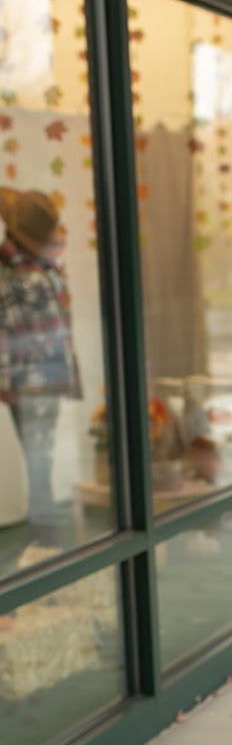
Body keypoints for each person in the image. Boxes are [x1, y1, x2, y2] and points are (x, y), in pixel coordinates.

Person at [0, 188, 80, 528]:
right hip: (33, 377)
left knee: (40, 456)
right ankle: (44, 531)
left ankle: (43, 530)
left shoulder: (31, 267)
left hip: (37, 375)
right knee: (39, 458)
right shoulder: (21, 273)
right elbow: (9, 331)